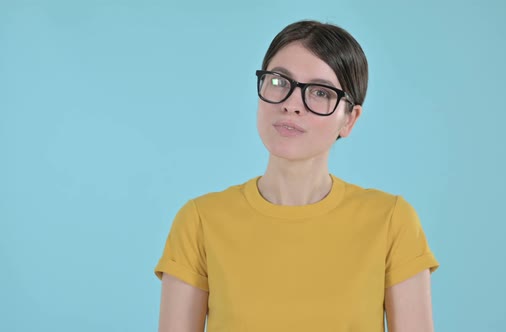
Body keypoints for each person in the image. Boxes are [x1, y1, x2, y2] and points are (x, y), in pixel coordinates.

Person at [154, 20, 439, 332]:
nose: (291, 104)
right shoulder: (198, 221)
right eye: (279, 82)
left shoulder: (392, 221)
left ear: (349, 119)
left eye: (319, 92)